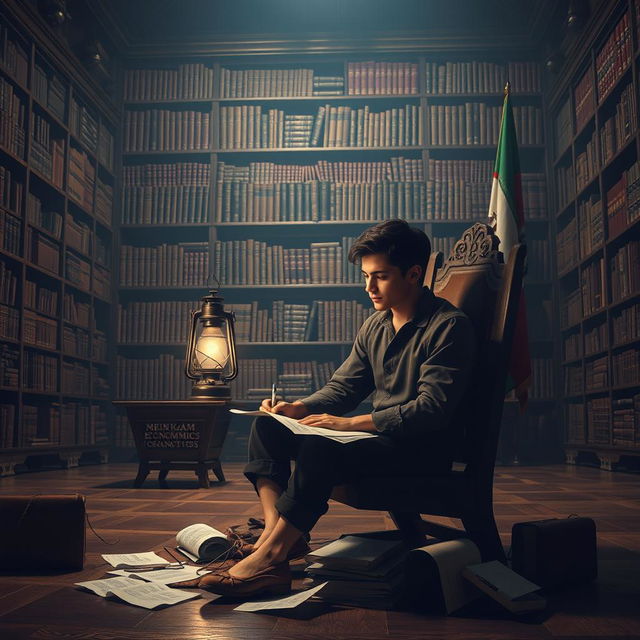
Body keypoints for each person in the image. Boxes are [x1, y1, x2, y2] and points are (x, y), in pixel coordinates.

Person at [176, 219, 477, 598]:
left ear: (414, 274)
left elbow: (431, 411)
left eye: (380, 277)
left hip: (420, 449)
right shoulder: (375, 326)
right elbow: (343, 387)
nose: (369, 287)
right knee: (270, 427)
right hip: (382, 441)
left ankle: (270, 556)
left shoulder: (449, 327)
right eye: (366, 276)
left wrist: (350, 424)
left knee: (320, 448)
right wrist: (298, 408)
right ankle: (279, 535)